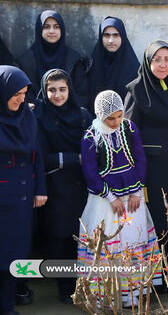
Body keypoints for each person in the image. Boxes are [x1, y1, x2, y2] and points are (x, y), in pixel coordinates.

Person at [78, 90, 161, 308]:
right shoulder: (90, 137)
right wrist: (111, 198)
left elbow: (140, 157)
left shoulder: (129, 127)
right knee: (109, 247)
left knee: (133, 243)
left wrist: (137, 192)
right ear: (99, 115)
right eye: (110, 118)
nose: (115, 122)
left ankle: (131, 296)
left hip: (132, 198)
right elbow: (90, 172)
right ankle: (106, 297)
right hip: (105, 201)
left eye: (119, 116)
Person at [124, 40, 168, 240]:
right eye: (157, 60)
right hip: (153, 169)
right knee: (159, 218)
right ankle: (160, 268)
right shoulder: (136, 89)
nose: (163, 65)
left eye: (167, 60)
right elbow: (129, 134)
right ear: (148, 62)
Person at [34, 69, 92, 304]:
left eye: (62, 89)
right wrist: (74, 158)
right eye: (52, 90)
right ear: (45, 91)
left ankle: (83, 286)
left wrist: (78, 159)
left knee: (81, 237)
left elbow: (93, 150)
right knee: (59, 238)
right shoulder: (39, 117)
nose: (57, 95)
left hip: (82, 188)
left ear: (70, 90)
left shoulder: (83, 116)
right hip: (55, 188)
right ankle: (64, 287)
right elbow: (40, 156)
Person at [0, 66, 47, 315]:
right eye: (15, 93)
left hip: (21, 198)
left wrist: (40, 188)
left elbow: (36, 153)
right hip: (2, 198)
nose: (20, 99)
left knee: (15, 254)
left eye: (24, 93)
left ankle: (8, 306)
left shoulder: (27, 117)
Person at [17, 10, 90, 106]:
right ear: (39, 30)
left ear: (62, 30)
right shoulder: (27, 60)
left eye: (56, 27)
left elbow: (82, 93)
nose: (51, 31)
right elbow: (25, 93)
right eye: (46, 27)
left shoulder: (74, 59)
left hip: (68, 115)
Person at [87, 16, 140, 114]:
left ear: (122, 37)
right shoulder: (91, 65)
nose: (111, 40)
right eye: (106, 35)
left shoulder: (133, 69)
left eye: (116, 35)